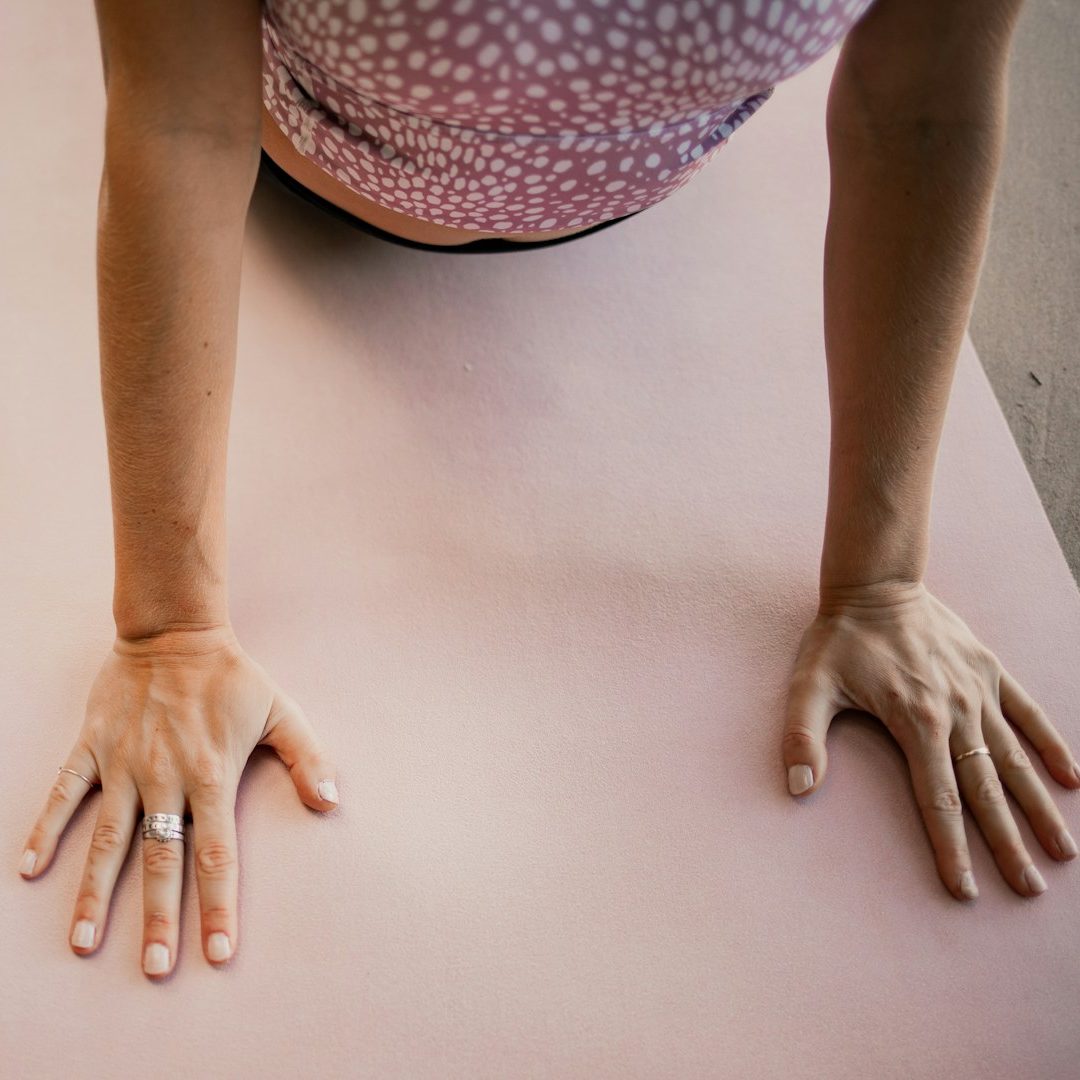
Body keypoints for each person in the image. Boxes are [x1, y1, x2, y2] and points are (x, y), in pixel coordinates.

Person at [18, 0, 1078, 980]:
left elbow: (927, 106)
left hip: (651, 196)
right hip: (315, 174)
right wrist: (166, 630)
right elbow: (178, 125)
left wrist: (879, 580)